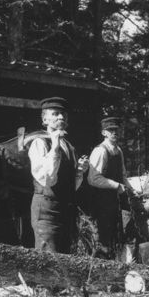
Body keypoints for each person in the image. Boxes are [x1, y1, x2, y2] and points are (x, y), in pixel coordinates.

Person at [26, 97, 78, 253]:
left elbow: (71, 183)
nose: (61, 118)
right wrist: (54, 148)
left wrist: (80, 171)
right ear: (45, 119)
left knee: (65, 258)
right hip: (46, 211)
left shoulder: (68, 146)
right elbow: (46, 179)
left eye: (63, 115)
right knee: (49, 261)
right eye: (55, 114)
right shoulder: (39, 143)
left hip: (65, 210)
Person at [85, 116, 132, 258]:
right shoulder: (100, 151)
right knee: (104, 239)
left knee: (118, 235)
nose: (114, 133)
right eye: (110, 130)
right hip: (101, 201)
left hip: (116, 200)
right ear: (104, 133)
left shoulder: (118, 150)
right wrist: (115, 185)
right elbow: (93, 179)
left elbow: (123, 175)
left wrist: (132, 190)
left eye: (116, 130)